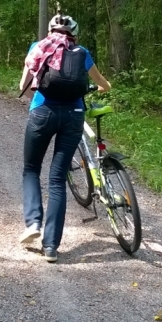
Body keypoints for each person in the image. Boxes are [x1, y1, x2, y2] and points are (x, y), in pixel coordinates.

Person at [18, 14, 112, 263]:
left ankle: (33, 223)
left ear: (50, 31)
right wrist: (102, 87)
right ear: (75, 34)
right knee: (58, 179)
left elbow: (24, 86)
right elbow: (103, 84)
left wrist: (39, 105)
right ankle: (51, 247)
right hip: (74, 117)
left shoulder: (38, 47)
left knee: (31, 169)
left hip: (42, 113)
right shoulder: (82, 52)